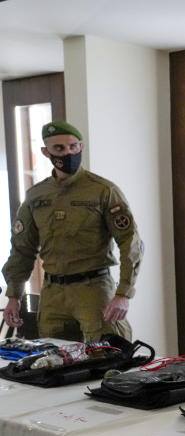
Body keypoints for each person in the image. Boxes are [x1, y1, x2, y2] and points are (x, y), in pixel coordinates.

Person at [2, 121, 142, 342]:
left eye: (73, 146)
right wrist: (13, 295)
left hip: (94, 290)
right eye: (59, 148)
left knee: (107, 359)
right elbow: (22, 249)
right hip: (53, 294)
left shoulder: (103, 190)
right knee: (56, 363)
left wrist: (123, 293)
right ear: (45, 152)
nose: (68, 153)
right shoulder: (36, 196)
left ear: (81, 147)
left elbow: (131, 242)